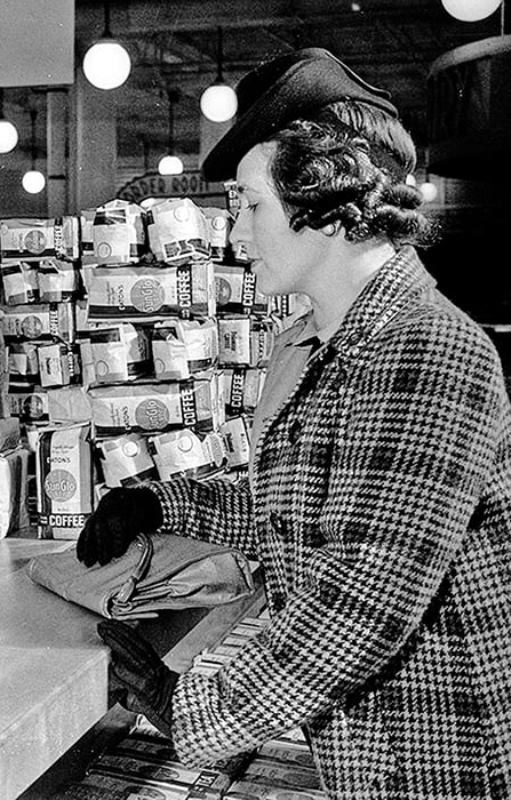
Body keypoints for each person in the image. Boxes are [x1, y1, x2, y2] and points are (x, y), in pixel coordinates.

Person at [76, 49, 511, 797]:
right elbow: (309, 515)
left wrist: (193, 711)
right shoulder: (321, 342)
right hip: (369, 745)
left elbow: (361, 602)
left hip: (432, 754)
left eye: (250, 204)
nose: (240, 233)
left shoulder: (425, 350)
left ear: (322, 198)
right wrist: (160, 502)